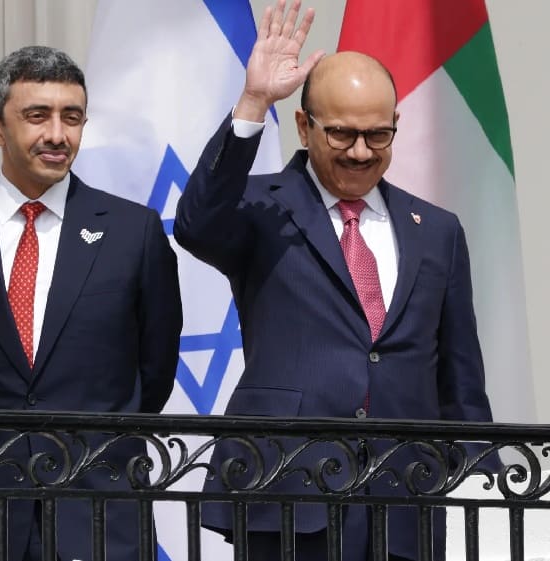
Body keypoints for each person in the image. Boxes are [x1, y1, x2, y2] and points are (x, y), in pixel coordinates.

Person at [173, 1, 495, 560]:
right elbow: (195, 224)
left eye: (378, 135)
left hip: (404, 498)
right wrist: (253, 103)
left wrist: (480, 477)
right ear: (305, 126)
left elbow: (459, 374)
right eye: (343, 134)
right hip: (288, 491)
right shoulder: (260, 208)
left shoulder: (437, 230)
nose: (362, 152)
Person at [0, 46, 182, 561]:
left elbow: (154, 369)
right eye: (37, 116)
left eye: (71, 118)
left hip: (99, 516)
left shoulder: (134, 233)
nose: (57, 135)